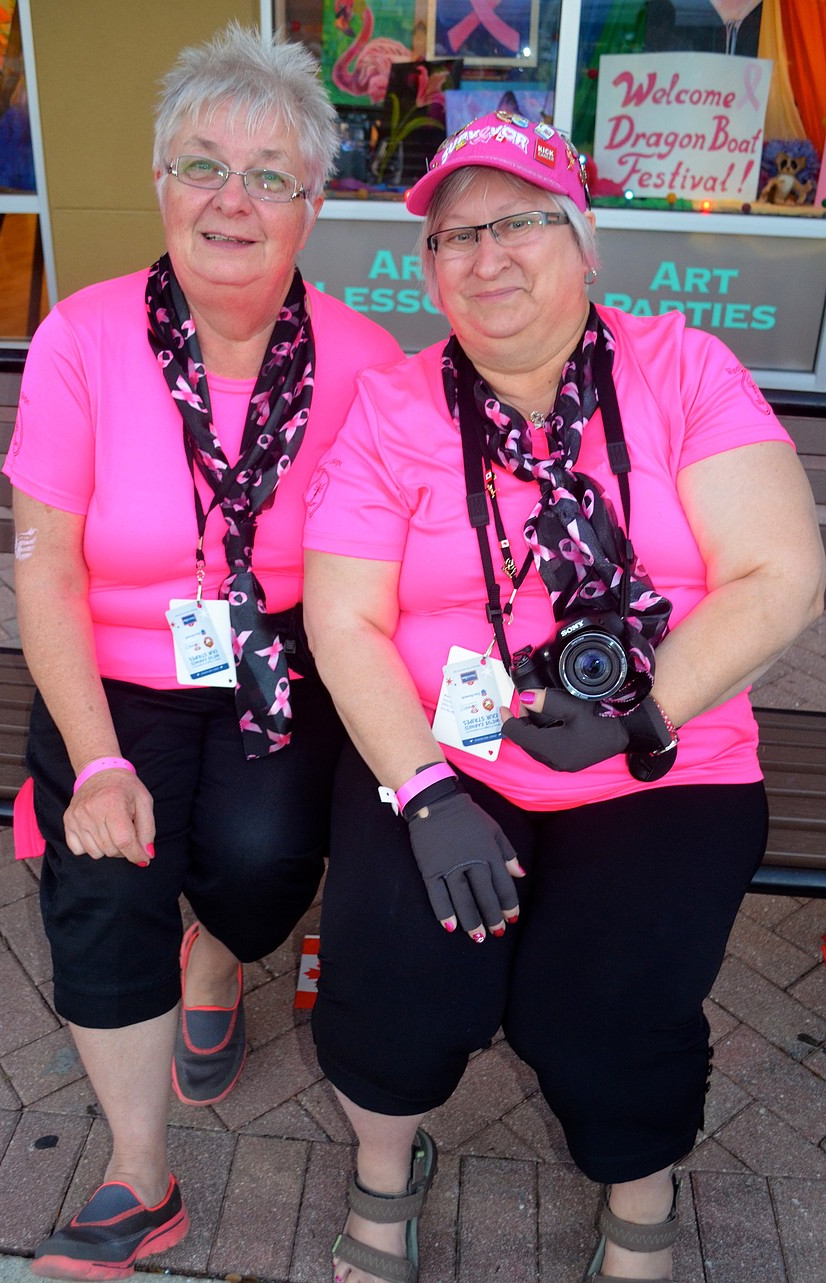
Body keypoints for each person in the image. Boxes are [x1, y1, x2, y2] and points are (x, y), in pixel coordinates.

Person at [302, 111, 825, 1283]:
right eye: (452, 237)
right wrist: (423, 791)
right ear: (426, 268)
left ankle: (641, 1192)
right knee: (394, 987)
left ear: (584, 245)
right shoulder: (393, 409)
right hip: (447, 758)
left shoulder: (684, 369)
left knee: (600, 1014)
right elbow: (344, 618)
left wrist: (640, 714)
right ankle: (387, 1174)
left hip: (665, 763)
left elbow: (779, 572)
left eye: (520, 223)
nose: (485, 258)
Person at [4, 24, 401, 1282]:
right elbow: (46, 567)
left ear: (316, 203)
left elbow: (391, 570)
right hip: (109, 666)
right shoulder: (82, 336)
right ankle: (139, 1173)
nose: (232, 198)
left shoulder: (365, 362)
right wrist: (97, 756)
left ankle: (223, 951)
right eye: (202, 164)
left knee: (263, 856)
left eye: (270, 172)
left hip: (278, 663)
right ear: (162, 181)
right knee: (102, 885)